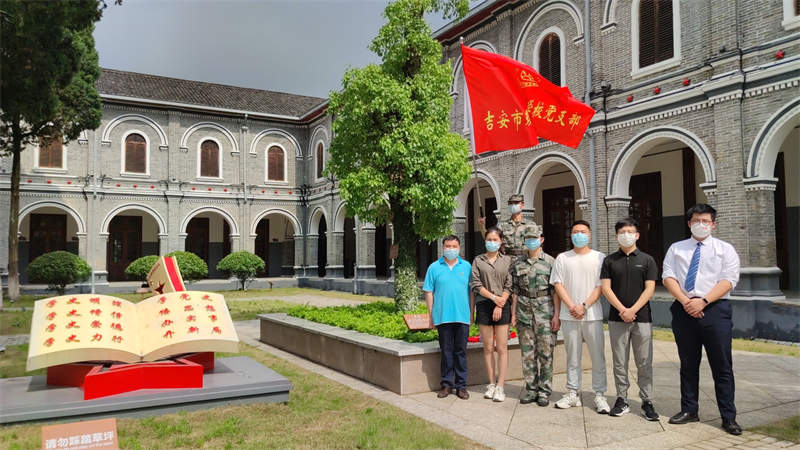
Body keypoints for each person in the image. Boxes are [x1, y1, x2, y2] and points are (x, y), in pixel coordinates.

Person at [663, 204, 742, 435]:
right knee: (688, 364)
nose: (701, 224)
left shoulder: (725, 249)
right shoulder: (676, 248)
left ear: (713, 224)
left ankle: (728, 417)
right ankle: (689, 410)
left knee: (722, 365)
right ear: (689, 223)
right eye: (696, 220)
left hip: (715, 310)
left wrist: (704, 301)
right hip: (684, 309)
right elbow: (668, 276)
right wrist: (687, 302)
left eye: (705, 221)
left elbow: (728, 280)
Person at [600, 217, 659, 421]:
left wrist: (632, 310)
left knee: (644, 362)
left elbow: (650, 288)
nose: (626, 235)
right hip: (617, 318)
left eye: (630, 232)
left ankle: (647, 401)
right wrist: (622, 310)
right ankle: (621, 399)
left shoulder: (647, 260)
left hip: (642, 318)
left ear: (637, 235)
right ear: (617, 236)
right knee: (619, 362)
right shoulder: (609, 261)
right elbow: (606, 288)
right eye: (622, 232)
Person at [550, 220, 610, 414]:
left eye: (583, 232)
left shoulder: (599, 257)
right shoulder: (562, 258)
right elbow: (558, 284)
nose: (579, 235)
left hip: (592, 315)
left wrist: (584, 306)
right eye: (575, 232)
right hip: (569, 316)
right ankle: (572, 392)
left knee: (597, 356)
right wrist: (571, 306)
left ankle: (599, 394)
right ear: (571, 235)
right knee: (572, 356)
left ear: (589, 235)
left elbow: (601, 286)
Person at [511, 226, 559, 406]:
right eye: (528, 238)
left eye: (534, 238)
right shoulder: (518, 264)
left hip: (545, 313)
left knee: (546, 353)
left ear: (541, 239)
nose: (531, 241)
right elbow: (515, 291)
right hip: (524, 313)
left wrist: (556, 315)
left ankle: (544, 391)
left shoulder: (550, 262)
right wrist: (514, 314)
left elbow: (555, 291)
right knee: (528, 354)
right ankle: (531, 390)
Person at [423, 234, 473, 400]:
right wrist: (431, 315)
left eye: (454, 246)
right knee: (446, 352)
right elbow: (428, 292)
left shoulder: (466, 267)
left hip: (462, 316)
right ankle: (446, 385)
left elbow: (471, 292)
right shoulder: (434, 267)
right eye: (448, 246)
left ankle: (461, 386)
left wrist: (471, 312)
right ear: (442, 248)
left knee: (461, 352)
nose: (451, 249)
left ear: (459, 248)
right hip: (442, 316)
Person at [470, 226, 513, 402]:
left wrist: (500, 302)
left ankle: (501, 386)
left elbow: (510, 284)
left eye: (495, 240)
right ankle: (491, 384)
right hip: (484, 304)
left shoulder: (508, 261)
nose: (492, 242)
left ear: (501, 242)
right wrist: (494, 298)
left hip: (503, 304)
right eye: (489, 239)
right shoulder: (478, 260)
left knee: (502, 348)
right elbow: (476, 284)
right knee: (488, 347)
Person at [479, 194, 539, 261]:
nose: (513, 205)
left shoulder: (530, 225)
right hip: (507, 260)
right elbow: (489, 238)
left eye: (516, 203)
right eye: (510, 203)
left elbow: (536, 244)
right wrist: (482, 225)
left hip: (525, 260)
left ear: (522, 205)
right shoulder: (502, 225)